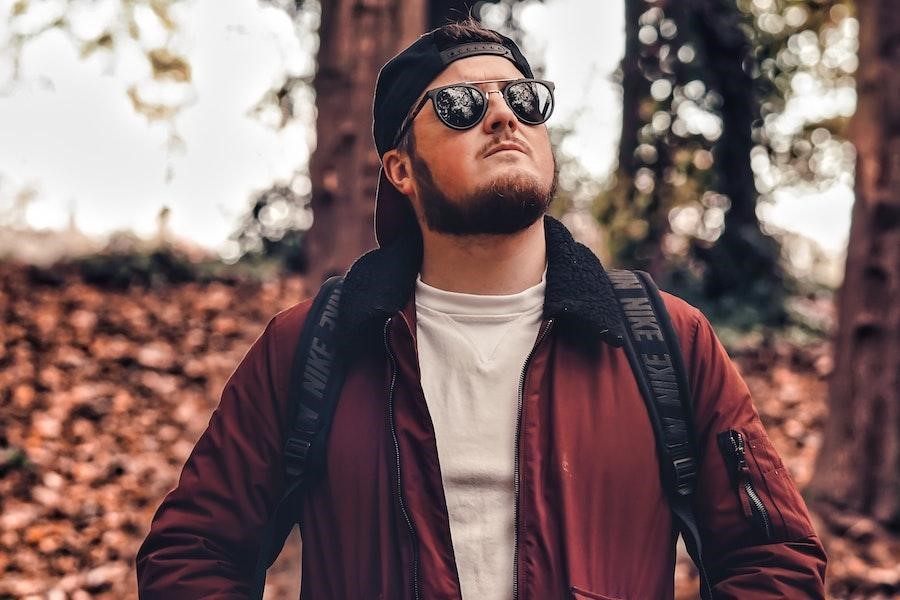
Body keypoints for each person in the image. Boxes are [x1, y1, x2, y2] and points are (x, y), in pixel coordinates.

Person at [137, 20, 827, 599]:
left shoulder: (663, 340)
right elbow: (191, 556)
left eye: (524, 101)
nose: (502, 115)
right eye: (460, 106)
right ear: (401, 169)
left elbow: (776, 562)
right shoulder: (312, 345)